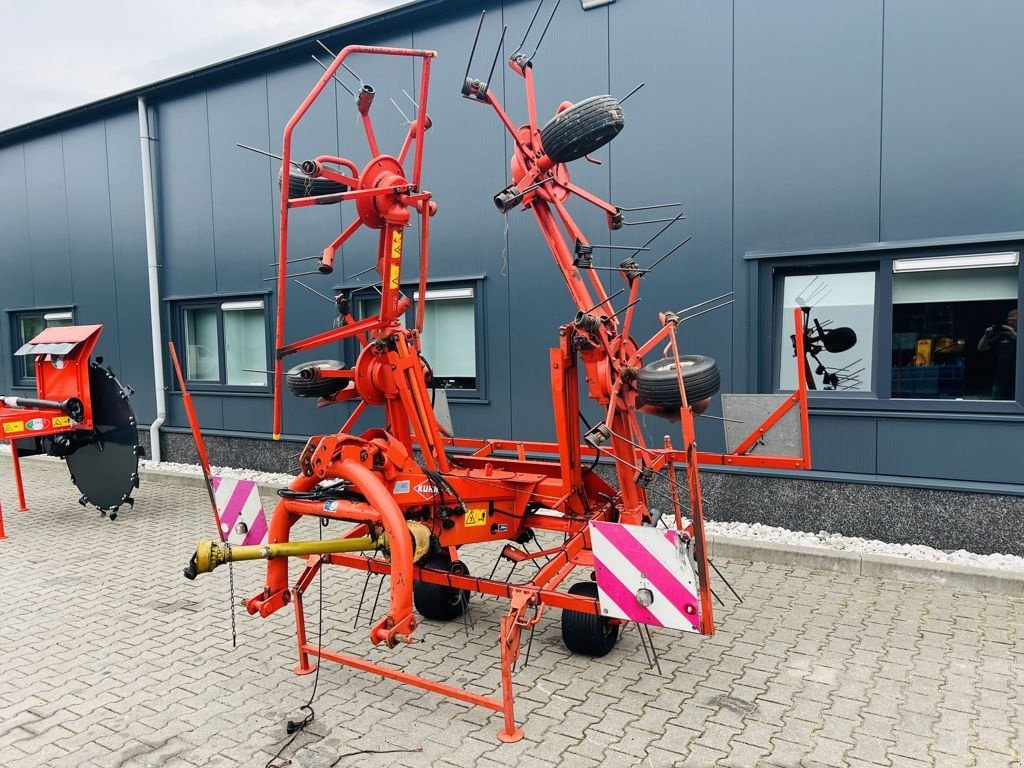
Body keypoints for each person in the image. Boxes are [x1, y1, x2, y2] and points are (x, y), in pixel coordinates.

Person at [977, 308, 1018, 399]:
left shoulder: (1018, 336)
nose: (1009, 319)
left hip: (1018, 382)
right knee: (998, 408)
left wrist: (1012, 331)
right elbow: (981, 348)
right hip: (1000, 380)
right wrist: (986, 335)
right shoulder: (1003, 335)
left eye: (1013, 317)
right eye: (1008, 317)